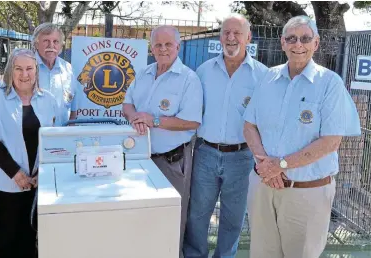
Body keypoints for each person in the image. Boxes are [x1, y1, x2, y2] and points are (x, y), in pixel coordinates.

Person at [243, 16, 361, 258]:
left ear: (316, 43)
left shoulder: (330, 83)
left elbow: (331, 141)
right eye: (291, 38)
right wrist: (264, 164)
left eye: (305, 38)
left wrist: (280, 165)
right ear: (282, 43)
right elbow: (249, 125)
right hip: (264, 186)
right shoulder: (269, 78)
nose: (299, 44)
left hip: (307, 192)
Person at [183, 14, 268, 258]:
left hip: (242, 158)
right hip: (205, 153)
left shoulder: (262, 76)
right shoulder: (203, 72)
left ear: (248, 37)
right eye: (226, 32)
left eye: (237, 33)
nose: (231, 38)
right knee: (197, 215)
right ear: (220, 37)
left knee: (233, 219)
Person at [122, 25, 203, 257]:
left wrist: (153, 120)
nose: (163, 49)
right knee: (138, 220)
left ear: (178, 47)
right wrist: (134, 118)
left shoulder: (189, 79)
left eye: (168, 44)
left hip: (171, 162)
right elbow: (127, 104)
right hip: (138, 161)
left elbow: (192, 122)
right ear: (152, 48)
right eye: (158, 44)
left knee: (170, 222)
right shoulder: (143, 73)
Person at [0, 48, 57, 258]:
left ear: (36, 71)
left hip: (38, 181)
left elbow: (55, 140)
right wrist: (16, 173)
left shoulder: (48, 100)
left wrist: (42, 173)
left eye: (29, 68)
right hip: (7, 182)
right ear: (11, 70)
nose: (24, 74)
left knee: (30, 236)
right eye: (18, 68)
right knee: (6, 237)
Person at [32, 23, 76, 126]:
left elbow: (73, 107)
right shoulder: (26, 67)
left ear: (61, 46)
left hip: (62, 136)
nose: (51, 45)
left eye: (55, 41)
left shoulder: (67, 68)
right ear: (36, 44)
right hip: (32, 137)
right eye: (46, 41)